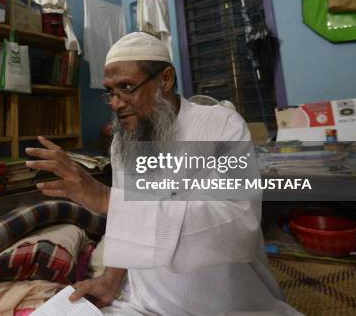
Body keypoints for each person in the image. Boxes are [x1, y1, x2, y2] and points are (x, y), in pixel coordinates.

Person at [25, 32, 300, 315]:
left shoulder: (222, 126)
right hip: (145, 301)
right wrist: (109, 281)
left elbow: (237, 226)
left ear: (165, 79)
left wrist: (107, 198)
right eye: (110, 91)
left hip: (223, 302)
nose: (116, 103)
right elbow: (127, 220)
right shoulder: (124, 142)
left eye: (127, 87)